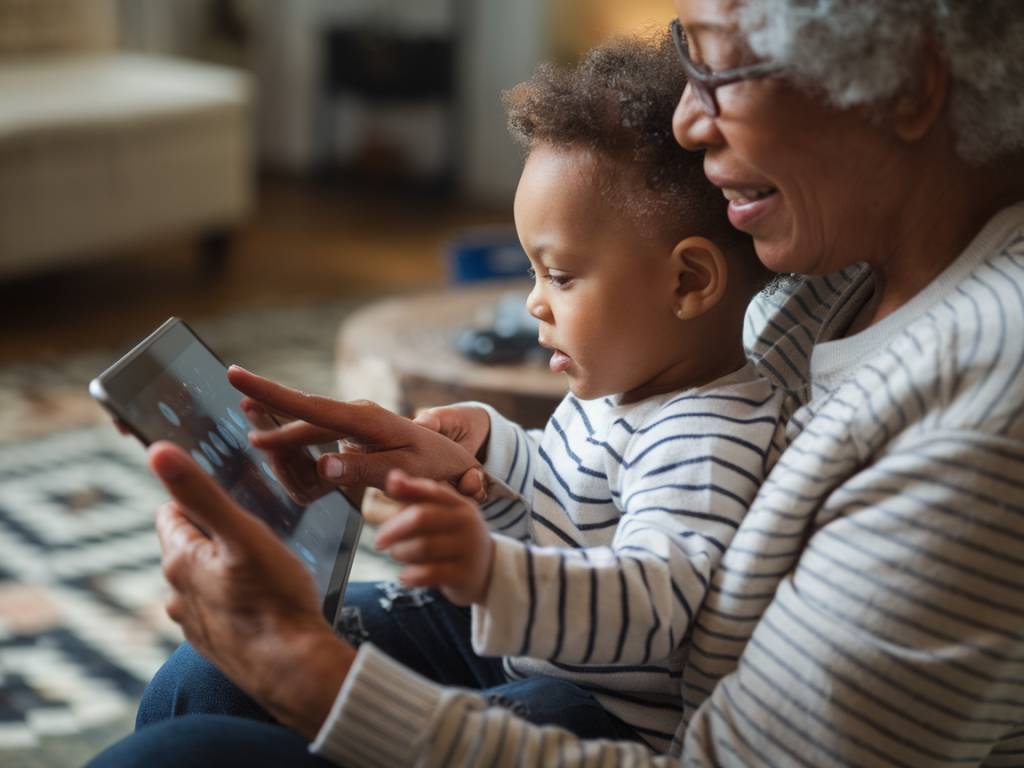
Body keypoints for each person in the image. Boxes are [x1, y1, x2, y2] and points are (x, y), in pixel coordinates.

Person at [88, 0, 1024, 765]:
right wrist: (487, 472)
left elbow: (665, 586)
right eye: (681, 60)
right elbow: (602, 494)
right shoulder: (830, 276)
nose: (689, 122)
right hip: (560, 650)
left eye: (720, 67)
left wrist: (309, 669)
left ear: (907, 85)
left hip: (618, 712)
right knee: (197, 682)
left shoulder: (981, 399)